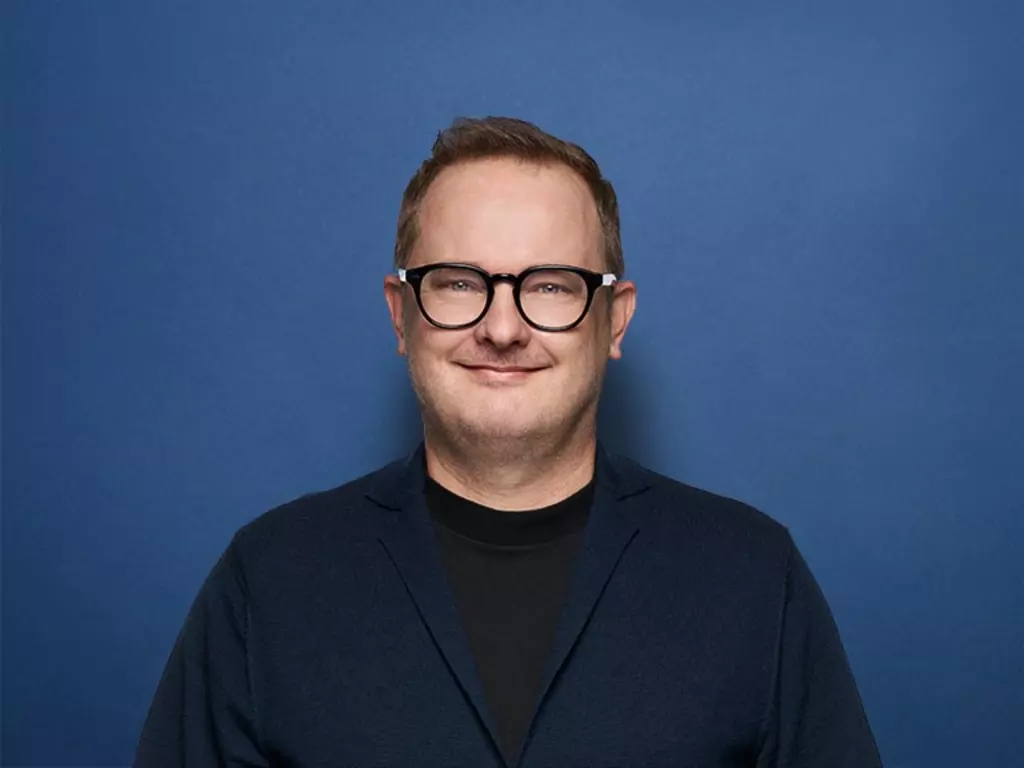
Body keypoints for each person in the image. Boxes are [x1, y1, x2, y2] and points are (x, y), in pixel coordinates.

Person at [134, 116, 882, 767]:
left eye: (550, 284)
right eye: (459, 282)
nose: (501, 328)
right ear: (400, 315)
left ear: (615, 320)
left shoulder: (752, 577)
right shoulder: (268, 581)